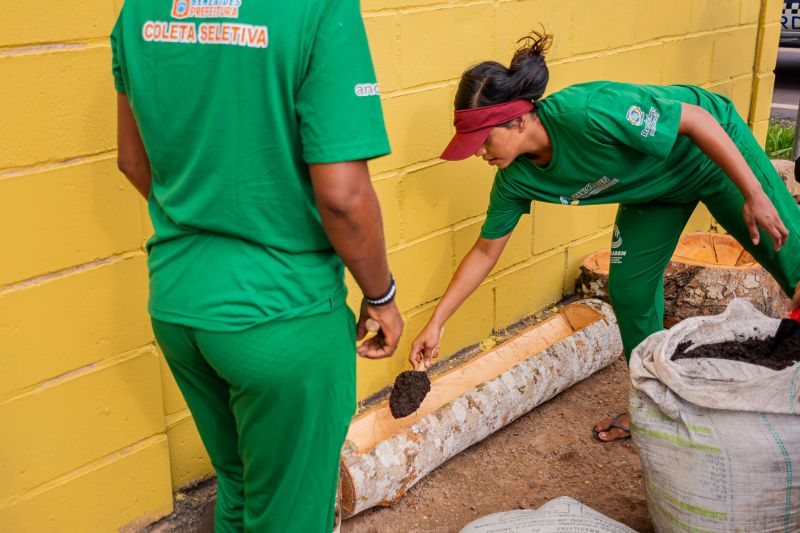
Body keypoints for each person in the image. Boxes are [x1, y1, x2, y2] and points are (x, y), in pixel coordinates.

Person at [409, 31, 800, 443]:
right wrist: (437, 323)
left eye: (484, 140)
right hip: (654, 191)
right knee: (630, 290)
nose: (479, 153)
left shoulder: (586, 111)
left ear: (519, 120)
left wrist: (754, 193)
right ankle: (655, 405)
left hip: (707, 154)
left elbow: (697, 121)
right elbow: (486, 251)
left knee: (791, 259)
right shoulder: (514, 179)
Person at [111, 1, 403, 531]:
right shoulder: (319, 8)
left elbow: (132, 160)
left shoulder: (138, 11)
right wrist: (380, 295)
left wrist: (204, 223)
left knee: (241, 487)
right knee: (290, 510)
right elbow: (343, 197)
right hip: (281, 313)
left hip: (179, 301)